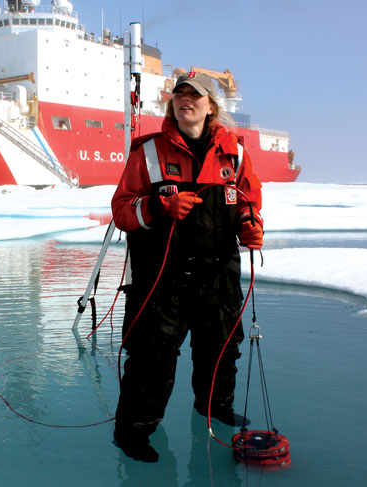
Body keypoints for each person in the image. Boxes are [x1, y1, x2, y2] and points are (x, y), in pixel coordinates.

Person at [110, 71, 264, 463]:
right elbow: (122, 211)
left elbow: (248, 200)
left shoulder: (236, 153)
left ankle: (213, 409)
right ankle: (134, 432)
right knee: (151, 358)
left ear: (211, 106)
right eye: (179, 94)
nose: (185, 100)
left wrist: (250, 225)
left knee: (222, 349)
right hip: (162, 278)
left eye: (194, 96)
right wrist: (159, 208)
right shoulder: (147, 152)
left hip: (218, 275)